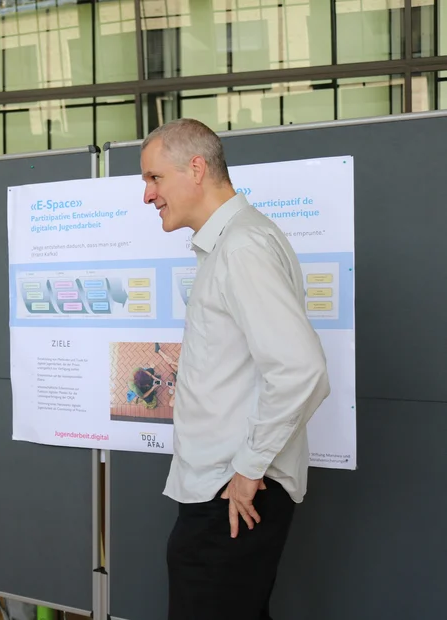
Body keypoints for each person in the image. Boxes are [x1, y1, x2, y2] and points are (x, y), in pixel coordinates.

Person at [140, 118, 330, 620]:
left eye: (154, 178)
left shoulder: (242, 246)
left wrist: (248, 469)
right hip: (223, 489)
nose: (147, 195)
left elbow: (300, 368)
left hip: (235, 492)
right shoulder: (234, 243)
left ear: (196, 168)